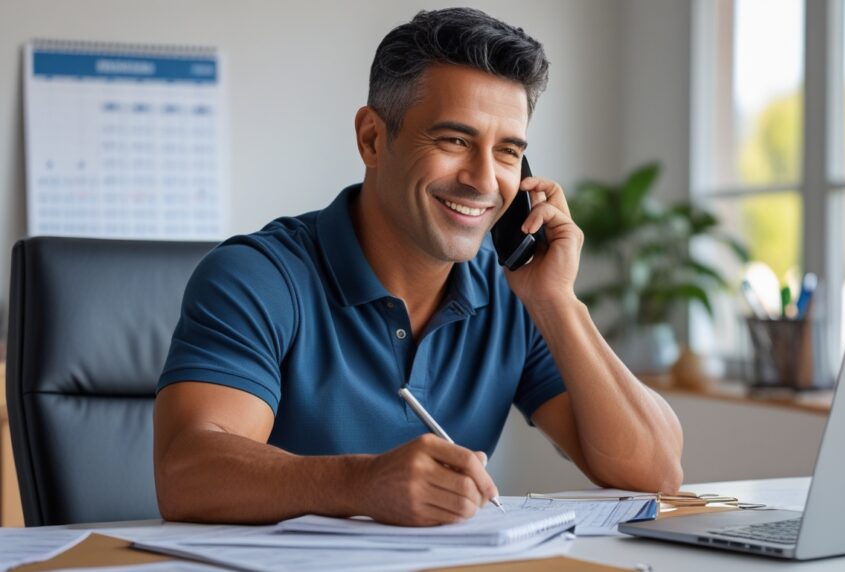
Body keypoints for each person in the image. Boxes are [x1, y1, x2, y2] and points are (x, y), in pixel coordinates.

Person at [153, 7, 683, 527]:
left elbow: (656, 474)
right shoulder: (257, 277)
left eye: (507, 152)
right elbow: (187, 472)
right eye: (455, 140)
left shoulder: (515, 293)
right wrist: (362, 483)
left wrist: (556, 301)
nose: (482, 180)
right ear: (372, 139)